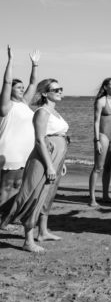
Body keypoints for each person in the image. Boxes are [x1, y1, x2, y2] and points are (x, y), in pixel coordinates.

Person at [0, 79, 69, 252]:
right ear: (45, 93)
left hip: (56, 157)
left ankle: (43, 232)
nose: (60, 91)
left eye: (61, 88)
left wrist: (61, 161)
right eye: (56, 89)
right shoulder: (42, 112)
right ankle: (28, 240)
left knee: (48, 195)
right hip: (43, 158)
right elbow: (39, 140)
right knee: (34, 195)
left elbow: (58, 138)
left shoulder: (55, 112)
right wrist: (50, 165)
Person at [0, 47, 40, 206]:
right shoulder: (5, 106)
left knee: (18, 185)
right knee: (5, 186)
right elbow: (7, 82)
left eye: (22, 88)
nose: (22, 89)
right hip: (8, 152)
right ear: (10, 91)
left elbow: (33, 83)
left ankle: (7, 216)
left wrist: (35, 65)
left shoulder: (24, 103)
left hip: (24, 152)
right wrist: (11, 60)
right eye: (19, 87)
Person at [89, 78, 111, 207]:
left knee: (109, 168)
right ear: (105, 87)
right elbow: (96, 122)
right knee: (98, 168)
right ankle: (92, 198)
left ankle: (105, 195)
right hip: (103, 135)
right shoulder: (100, 101)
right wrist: (97, 140)